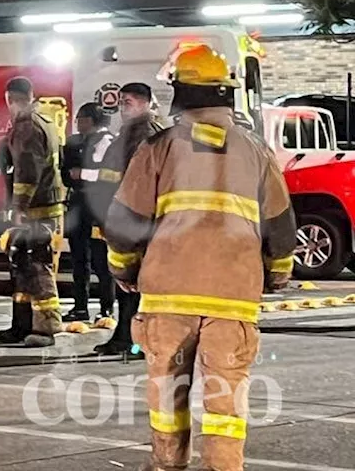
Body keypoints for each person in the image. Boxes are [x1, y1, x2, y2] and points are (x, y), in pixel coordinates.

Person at [105, 44, 295, 471]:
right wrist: (274, 277)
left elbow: (124, 223)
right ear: (225, 93)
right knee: (226, 407)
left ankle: (167, 466)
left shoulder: (158, 148)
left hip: (167, 298)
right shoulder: (258, 152)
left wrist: (124, 270)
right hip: (233, 299)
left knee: (167, 398)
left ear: (181, 93)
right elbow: (281, 230)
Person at [87, 82, 167, 357]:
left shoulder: (148, 135)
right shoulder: (127, 134)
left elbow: (142, 185)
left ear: (146, 104)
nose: (123, 107)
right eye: (121, 102)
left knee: (138, 285)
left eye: (129, 102)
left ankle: (138, 341)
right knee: (125, 284)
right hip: (122, 219)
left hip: (140, 223)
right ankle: (124, 336)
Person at [0, 77, 65, 348]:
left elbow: (27, 171)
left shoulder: (28, 126)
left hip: (36, 210)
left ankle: (46, 327)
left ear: (9, 98)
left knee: (37, 265)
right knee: (22, 265)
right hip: (43, 206)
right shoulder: (42, 121)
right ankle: (22, 325)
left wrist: (18, 208)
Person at [63, 102, 115, 323]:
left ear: (92, 120)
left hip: (99, 207)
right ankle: (80, 307)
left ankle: (106, 308)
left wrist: (82, 173)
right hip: (78, 205)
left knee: (101, 260)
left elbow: (111, 175)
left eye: (81, 119)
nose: (78, 123)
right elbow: (66, 172)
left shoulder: (108, 142)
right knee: (78, 259)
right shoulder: (75, 142)